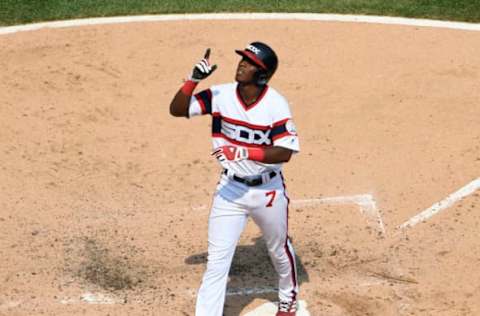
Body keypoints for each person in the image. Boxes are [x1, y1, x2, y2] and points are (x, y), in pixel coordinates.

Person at [169, 42, 300, 316]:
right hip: (230, 189)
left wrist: (244, 150)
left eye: (250, 62)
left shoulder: (276, 104)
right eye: (242, 59)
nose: (241, 64)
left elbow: (285, 151)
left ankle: (288, 298)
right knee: (217, 263)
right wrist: (193, 80)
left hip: (268, 192)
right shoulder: (221, 94)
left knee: (278, 250)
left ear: (262, 73)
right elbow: (178, 110)